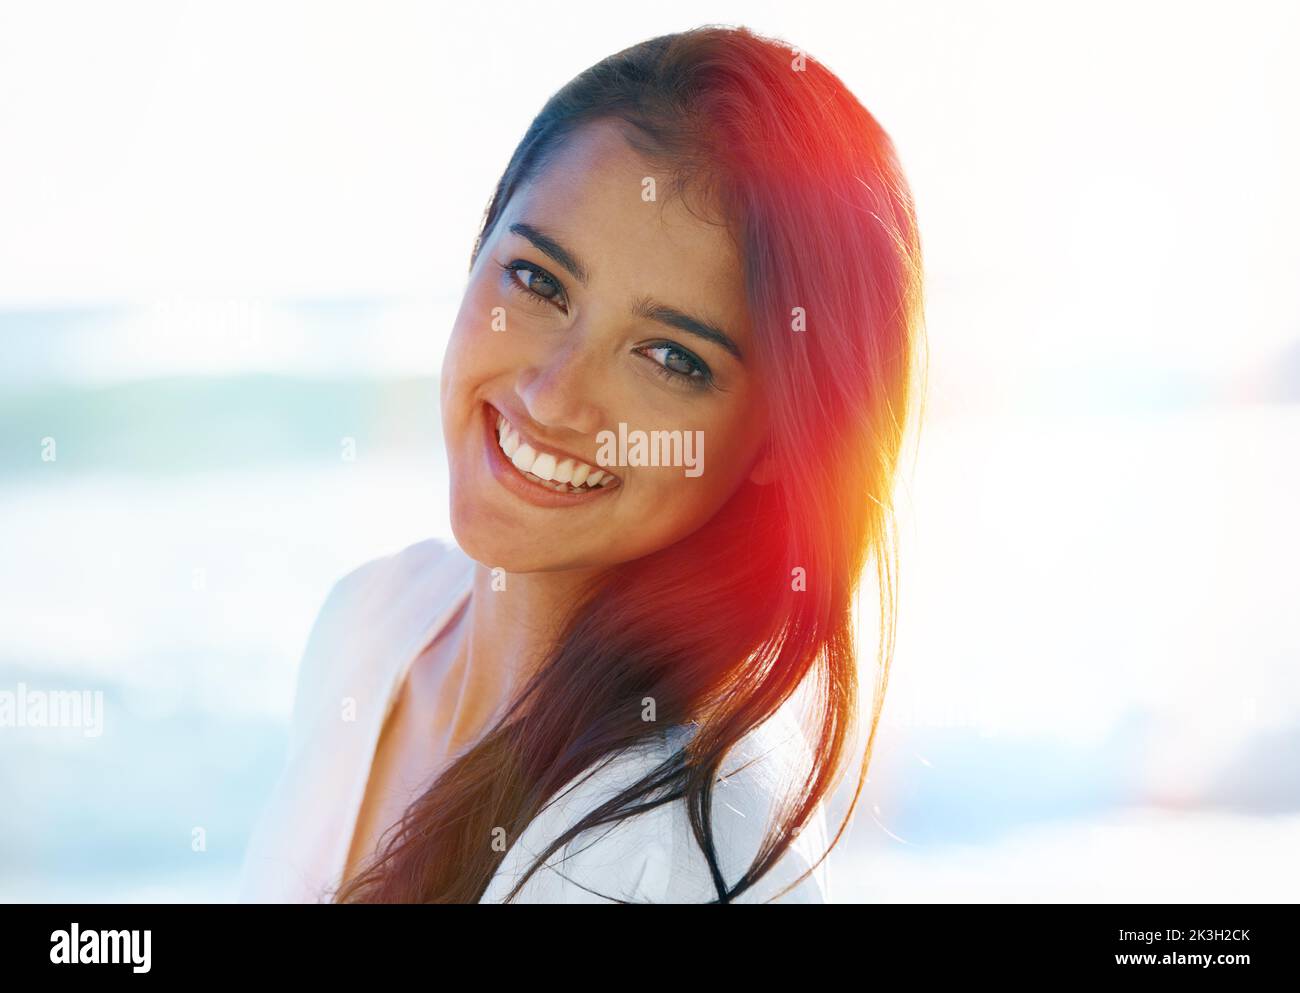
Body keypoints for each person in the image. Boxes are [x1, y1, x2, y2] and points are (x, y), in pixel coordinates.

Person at [237, 23, 925, 904]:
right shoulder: (371, 626)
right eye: (537, 281)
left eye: (672, 357)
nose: (554, 396)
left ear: (778, 440)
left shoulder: (670, 847)